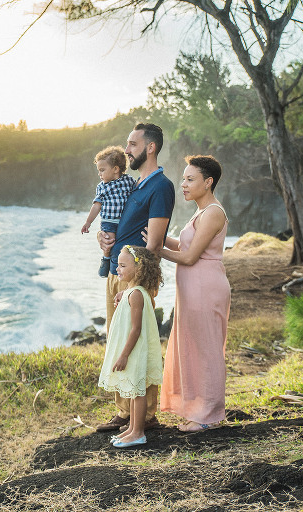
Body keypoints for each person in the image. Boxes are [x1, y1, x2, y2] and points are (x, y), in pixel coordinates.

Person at [94, 123, 175, 433]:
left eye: (132, 144)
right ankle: (123, 412)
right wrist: (102, 237)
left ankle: (146, 417)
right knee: (116, 342)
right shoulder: (132, 185)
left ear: (150, 148)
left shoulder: (160, 186)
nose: (126, 150)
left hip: (135, 281)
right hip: (118, 272)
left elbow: (153, 243)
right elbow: (115, 223)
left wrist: (133, 286)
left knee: (136, 343)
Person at [156, 155, 230, 432]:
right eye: (183, 178)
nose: (183, 184)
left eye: (190, 179)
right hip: (193, 288)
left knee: (207, 349)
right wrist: (155, 237)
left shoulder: (213, 212)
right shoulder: (201, 212)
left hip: (205, 286)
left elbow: (189, 257)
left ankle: (208, 416)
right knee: (195, 347)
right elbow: (184, 245)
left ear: (208, 182)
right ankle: (198, 410)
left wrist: (156, 249)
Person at [98, 245, 164, 448]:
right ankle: (132, 429)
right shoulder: (133, 292)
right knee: (135, 392)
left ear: (139, 269)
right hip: (131, 349)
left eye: (122, 265)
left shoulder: (136, 294)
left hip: (134, 351)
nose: (117, 268)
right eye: (117, 264)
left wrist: (124, 355)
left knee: (138, 392)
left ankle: (138, 432)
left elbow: (135, 330)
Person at [81, 146, 136, 277]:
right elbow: (96, 206)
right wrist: (88, 222)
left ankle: (115, 268)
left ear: (116, 169)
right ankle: (106, 262)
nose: (99, 174)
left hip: (124, 222)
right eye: (99, 171)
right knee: (109, 244)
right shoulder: (102, 187)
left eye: (102, 170)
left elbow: (136, 193)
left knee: (120, 249)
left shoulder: (128, 181)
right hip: (109, 222)